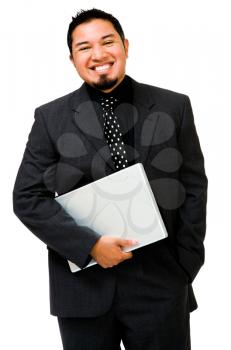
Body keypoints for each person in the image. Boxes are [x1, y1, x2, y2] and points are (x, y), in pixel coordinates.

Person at [13, 8, 208, 350]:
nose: (98, 54)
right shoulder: (50, 118)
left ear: (125, 46)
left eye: (107, 42)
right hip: (83, 290)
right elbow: (27, 197)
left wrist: (186, 264)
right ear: (72, 59)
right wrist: (88, 246)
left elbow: (193, 185)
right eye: (84, 47)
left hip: (160, 282)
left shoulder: (173, 106)